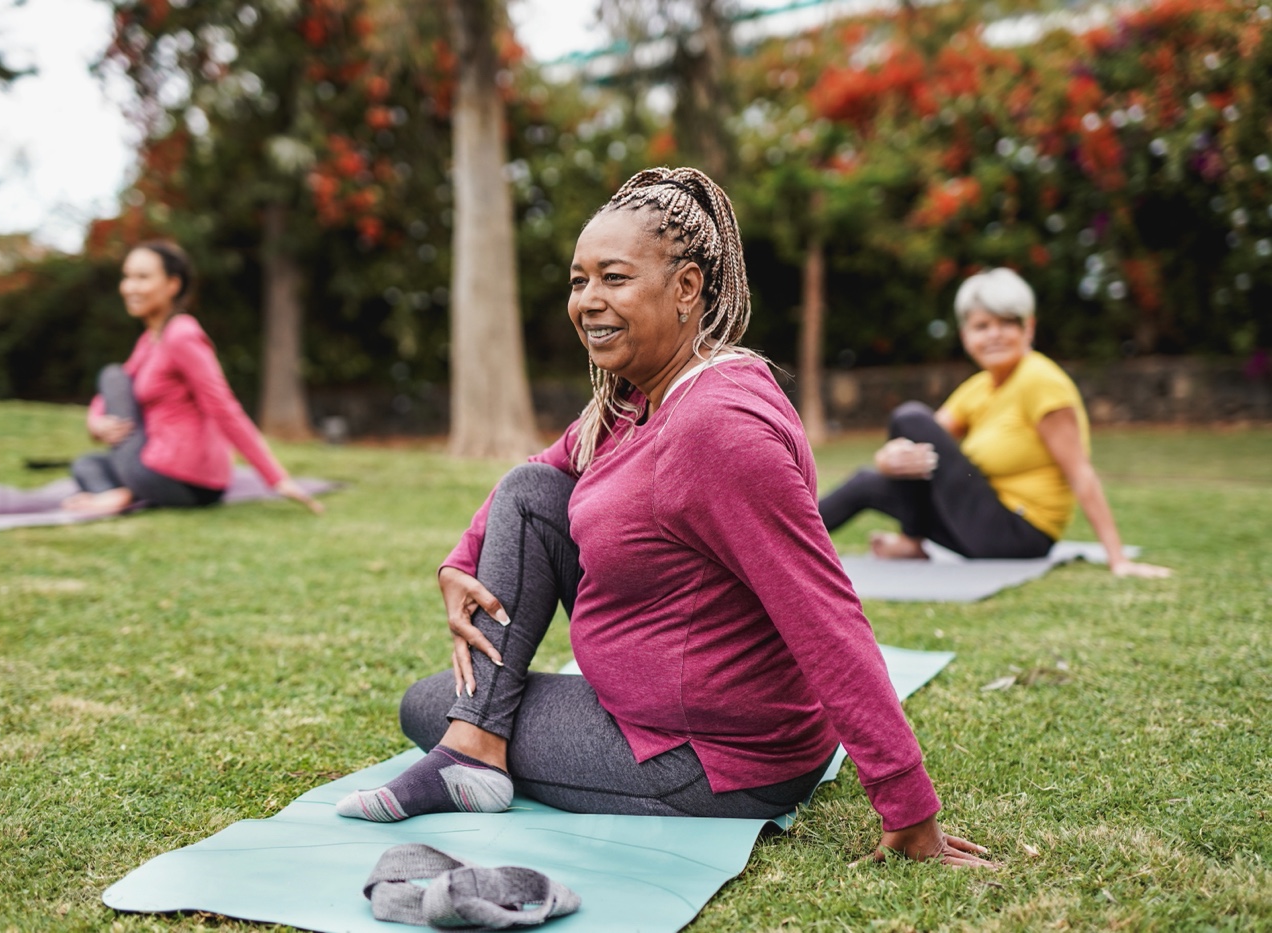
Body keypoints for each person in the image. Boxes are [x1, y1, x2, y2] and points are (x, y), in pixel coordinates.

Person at [336, 168, 991, 868]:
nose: (588, 300)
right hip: (663, 714)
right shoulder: (636, 398)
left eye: (613, 278)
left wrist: (908, 807)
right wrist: (459, 560)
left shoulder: (717, 428)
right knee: (529, 494)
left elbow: (824, 612)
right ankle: (476, 745)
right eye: (578, 280)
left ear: (686, 289)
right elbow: (541, 472)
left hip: (713, 757)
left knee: (427, 703)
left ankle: (473, 746)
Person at [817, 267, 1169, 578]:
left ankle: (911, 540)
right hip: (977, 524)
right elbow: (923, 440)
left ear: (1028, 327)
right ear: (966, 335)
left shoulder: (1040, 381)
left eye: (1007, 323)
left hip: (1019, 532)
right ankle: (776, 551)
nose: (994, 335)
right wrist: (887, 459)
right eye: (982, 326)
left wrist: (1118, 559)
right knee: (867, 481)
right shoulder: (980, 387)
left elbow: (1080, 471)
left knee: (908, 415)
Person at [64, 241, 322, 517]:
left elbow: (223, 407)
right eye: (127, 277)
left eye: (142, 277)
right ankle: (122, 493)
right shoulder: (150, 340)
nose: (129, 287)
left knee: (111, 374)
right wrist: (96, 423)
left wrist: (277, 478)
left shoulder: (181, 335)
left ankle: (123, 493)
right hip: (162, 470)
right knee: (86, 465)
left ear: (173, 285)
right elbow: (111, 394)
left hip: (178, 476)